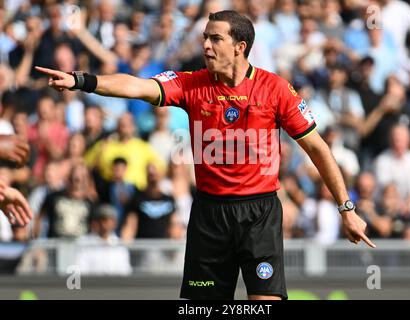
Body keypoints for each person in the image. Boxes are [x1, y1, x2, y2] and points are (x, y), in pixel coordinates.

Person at [35, 10, 375, 300]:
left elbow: (317, 147)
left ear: (240, 47)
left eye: (215, 39)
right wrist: (82, 80)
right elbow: (137, 86)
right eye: (204, 38)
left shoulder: (275, 89)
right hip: (209, 214)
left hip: (259, 213)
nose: (206, 46)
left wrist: (346, 208)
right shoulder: (191, 83)